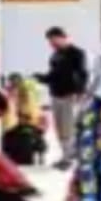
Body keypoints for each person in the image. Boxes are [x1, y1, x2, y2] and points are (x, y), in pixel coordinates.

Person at [35, 27, 88, 170]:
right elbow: (53, 75)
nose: (52, 44)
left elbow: (83, 74)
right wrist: (40, 78)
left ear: (63, 37)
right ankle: (65, 156)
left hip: (69, 95)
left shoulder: (77, 53)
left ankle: (70, 158)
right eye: (50, 42)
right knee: (59, 128)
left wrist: (80, 92)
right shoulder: (55, 55)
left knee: (68, 127)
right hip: (55, 95)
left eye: (53, 40)